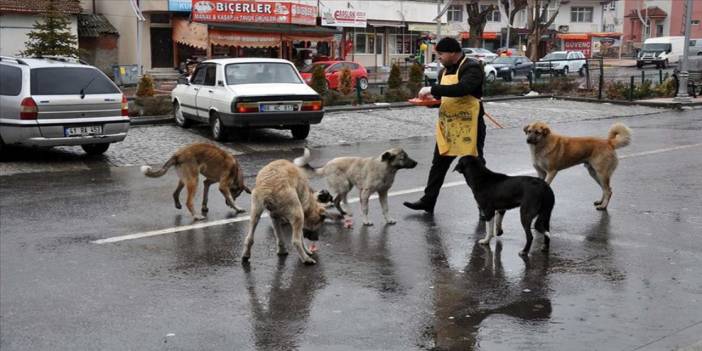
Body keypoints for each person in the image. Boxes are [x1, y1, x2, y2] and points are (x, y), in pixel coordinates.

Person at [403, 37, 486, 215]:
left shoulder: (472, 67)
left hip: (470, 126)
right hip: (448, 126)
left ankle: (484, 205)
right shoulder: (444, 72)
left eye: (441, 54)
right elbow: (445, 99)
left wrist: (432, 89)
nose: (438, 57)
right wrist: (431, 103)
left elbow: (462, 89)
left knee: (473, 167)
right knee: (438, 166)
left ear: (453, 53)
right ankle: (428, 201)